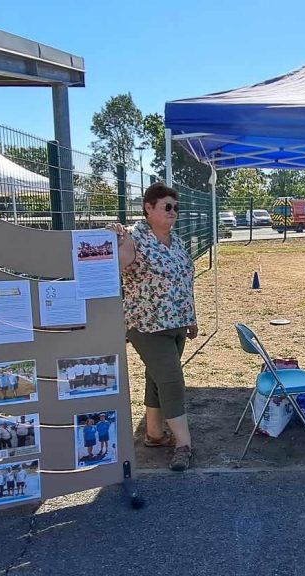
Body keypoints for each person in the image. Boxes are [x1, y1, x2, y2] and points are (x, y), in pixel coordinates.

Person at [109, 182, 198, 472]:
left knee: (157, 377)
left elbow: (185, 279)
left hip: (176, 323)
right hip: (146, 325)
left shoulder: (177, 241)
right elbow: (119, 264)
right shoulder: (134, 239)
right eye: (167, 207)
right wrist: (113, 242)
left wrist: (191, 317)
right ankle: (184, 444)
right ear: (148, 208)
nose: (173, 212)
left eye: (176, 207)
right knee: (171, 380)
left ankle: (155, 434)